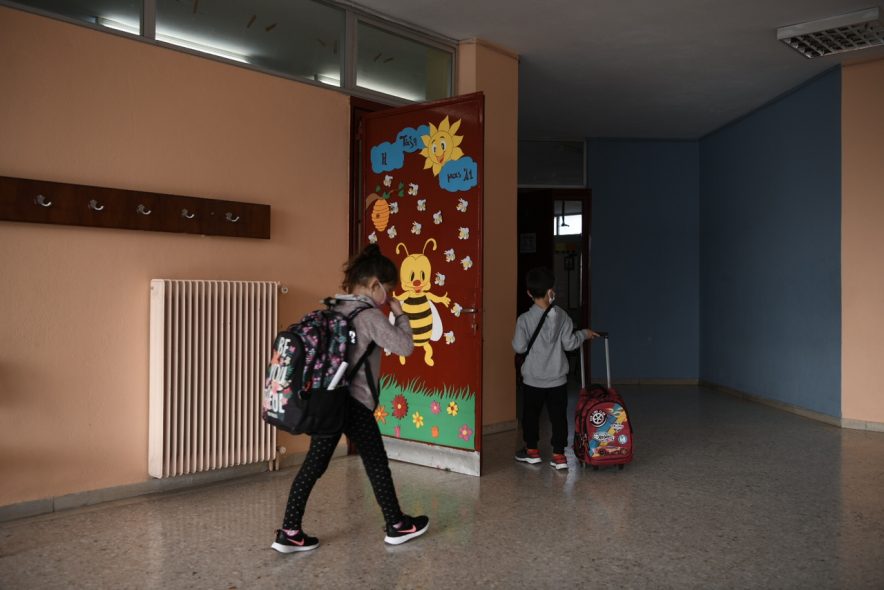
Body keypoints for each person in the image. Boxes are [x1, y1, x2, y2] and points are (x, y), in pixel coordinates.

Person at [272, 244, 429, 553]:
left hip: (327, 400)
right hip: (354, 403)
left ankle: (290, 531)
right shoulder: (369, 315)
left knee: (314, 465)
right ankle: (397, 525)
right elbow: (405, 347)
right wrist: (400, 315)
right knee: (376, 463)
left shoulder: (333, 307)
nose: (388, 296)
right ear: (375, 285)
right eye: (388, 290)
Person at [512, 267, 598, 470]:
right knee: (558, 417)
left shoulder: (524, 320)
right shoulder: (562, 316)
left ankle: (532, 451)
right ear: (551, 291)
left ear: (529, 293)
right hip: (557, 380)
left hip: (533, 380)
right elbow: (569, 344)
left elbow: (519, 347)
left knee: (530, 415)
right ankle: (559, 455)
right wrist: (584, 334)